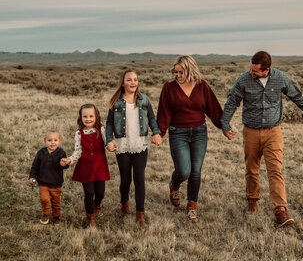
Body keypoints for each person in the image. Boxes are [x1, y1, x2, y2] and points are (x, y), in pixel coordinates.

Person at [221, 51, 303, 227]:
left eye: (255, 71)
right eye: (250, 69)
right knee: (251, 168)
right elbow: (232, 101)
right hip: (251, 131)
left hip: (273, 131)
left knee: (275, 169)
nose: (251, 73)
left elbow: (296, 95)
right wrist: (225, 124)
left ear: (267, 70)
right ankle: (252, 200)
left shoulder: (280, 78)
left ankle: (280, 210)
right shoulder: (243, 80)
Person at [157, 55, 223, 222]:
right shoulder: (169, 87)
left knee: (196, 171)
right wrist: (159, 133)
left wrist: (225, 127)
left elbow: (214, 109)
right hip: (178, 133)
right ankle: (174, 184)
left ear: (190, 70)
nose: (177, 75)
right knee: (184, 170)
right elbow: (164, 112)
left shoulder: (202, 86)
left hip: (199, 132)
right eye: (175, 72)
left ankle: (192, 205)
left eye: (181, 72)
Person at [106, 70, 162, 227]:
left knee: (139, 179)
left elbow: (152, 118)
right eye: (129, 79)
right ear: (123, 82)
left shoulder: (144, 100)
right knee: (125, 180)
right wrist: (109, 140)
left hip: (140, 144)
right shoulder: (116, 102)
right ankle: (124, 203)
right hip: (123, 145)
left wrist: (156, 133)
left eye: (135, 79)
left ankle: (140, 214)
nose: (133, 82)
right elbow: (109, 123)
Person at [61, 104, 110, 228]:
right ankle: (90, 218)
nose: (88, 119)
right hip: (85, 167)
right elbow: (78, 151)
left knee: (100, 194)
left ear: (96, 116)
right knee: (89, 193)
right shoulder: (79, 133)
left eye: (91, 116)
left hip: (100, 166)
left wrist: (111, 147)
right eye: (85, 116)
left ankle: (97, 204)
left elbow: (106, 144)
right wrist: (70, 160)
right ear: (80, 118)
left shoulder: (102, 130)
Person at [28, 130, 68, 225]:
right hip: (43, 182)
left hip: (56, 182)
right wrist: (32, 176)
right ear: (45, 141)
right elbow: (35, 166)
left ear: (59, 141)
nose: (52, 142)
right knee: (44, 199)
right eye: (49, 140)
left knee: (55, 201)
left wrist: (64, 163)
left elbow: (65, 166)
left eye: (55, 140)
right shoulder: (41, 153)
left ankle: (56, 216)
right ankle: (45, 214)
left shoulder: (61, 153)